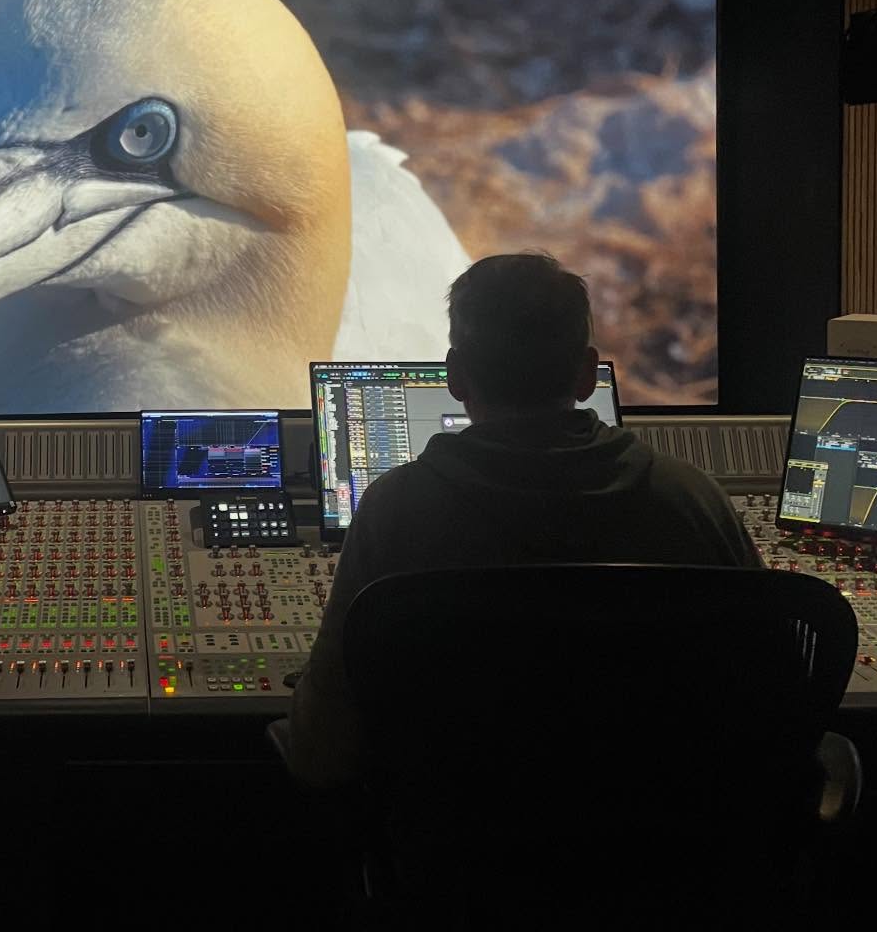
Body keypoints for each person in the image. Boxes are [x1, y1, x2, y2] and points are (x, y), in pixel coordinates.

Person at [286, 251, 760, 788]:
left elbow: (319, 746)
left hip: (456, 852)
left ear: (456, 377)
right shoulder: (692, 500)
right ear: (586, 375)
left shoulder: (395, 509)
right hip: (661, 849)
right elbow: (770, 694)